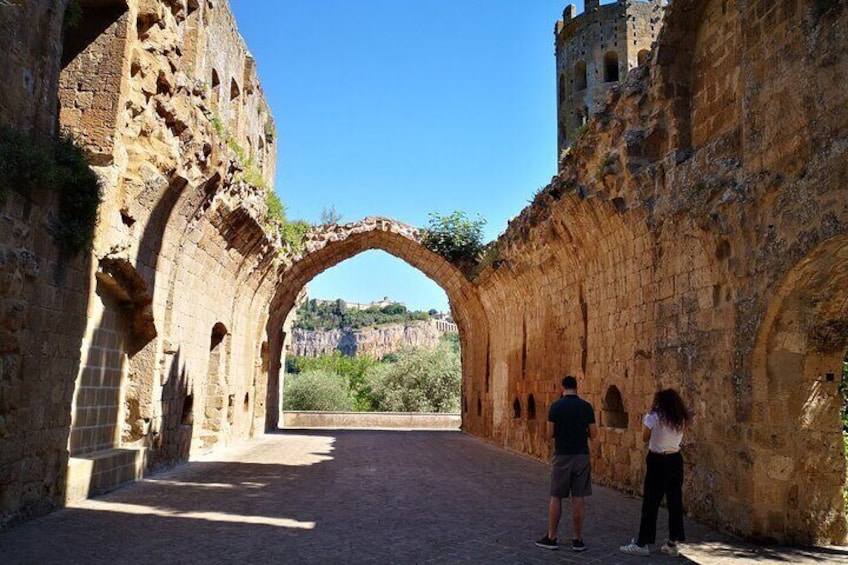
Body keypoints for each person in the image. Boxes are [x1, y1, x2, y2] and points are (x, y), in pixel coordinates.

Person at [619, 388, 693, 557]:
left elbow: (645, 438)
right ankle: (673, 543)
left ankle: (642, 543)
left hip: (658, 461)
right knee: (675, 502)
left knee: (651, 503)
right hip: (676, 460)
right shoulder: (680, 418)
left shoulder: (653, 417)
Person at [535, 375, 597, 552]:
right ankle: (577, 540)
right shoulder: (586, 407)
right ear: (576, 387)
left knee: (556, 496)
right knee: (578, 498)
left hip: (562, 455)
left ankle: (552, 537)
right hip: (582, 456)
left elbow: (549, 434)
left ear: (562, 387)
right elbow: (593, 434)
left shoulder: (556, 407)